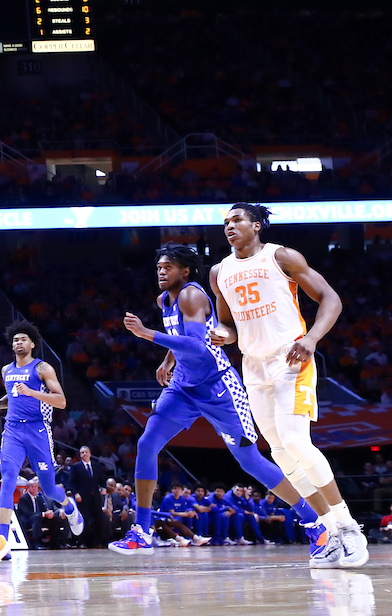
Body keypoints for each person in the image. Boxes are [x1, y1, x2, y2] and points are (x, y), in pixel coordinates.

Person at [113, 243, 336, 564]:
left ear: (185, 271)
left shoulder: (192, 295)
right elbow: (185, 336)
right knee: (147, 444)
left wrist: (148, 335)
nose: (161, 272)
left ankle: (313, 520)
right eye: (159, 267)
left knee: (249, 461)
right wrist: (168, 360)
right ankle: (142, 531)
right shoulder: (164, 300)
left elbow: (200, 348)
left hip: (219, 388)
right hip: (183, 388)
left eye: (168, 267)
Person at [210, 204, 366, 567]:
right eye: (225, 223)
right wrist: (223, 334)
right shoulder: (220, 271)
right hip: (253, 365)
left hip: (290, 359)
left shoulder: (280, 256)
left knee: (296, 441)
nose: (229, 227)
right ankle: (329, 530)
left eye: (237, 221)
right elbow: (228, 325)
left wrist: (311, 338)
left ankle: (348, 527)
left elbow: (331, 299)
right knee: (279, 452)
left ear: (257, 225)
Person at [0, 321, 84, 569]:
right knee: (7, 480)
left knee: (48, 489)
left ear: (32, 344)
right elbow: (10, 398)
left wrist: (33, 393)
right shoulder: (6, 370)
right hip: (13, 429)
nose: (18, 343)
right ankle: (2, 543)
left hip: (38, 429)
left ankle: (68, 506)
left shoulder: (42, 368)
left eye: (23, 339)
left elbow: (61, 401)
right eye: (15, 340)